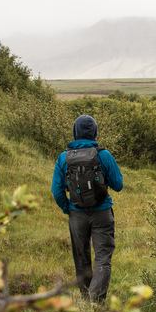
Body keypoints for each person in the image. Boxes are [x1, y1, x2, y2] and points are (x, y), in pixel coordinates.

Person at [51, 114, 124, 302]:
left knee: (81, 259)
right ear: (95, 132)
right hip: (102, 213)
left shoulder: (63, 158)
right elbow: (118, 184)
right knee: (103, 259)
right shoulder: (103, 155)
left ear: (75, 132)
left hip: (77, 215)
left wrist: (68, 208)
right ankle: (95, 302)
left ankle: (86, 302)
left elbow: (56, 191)